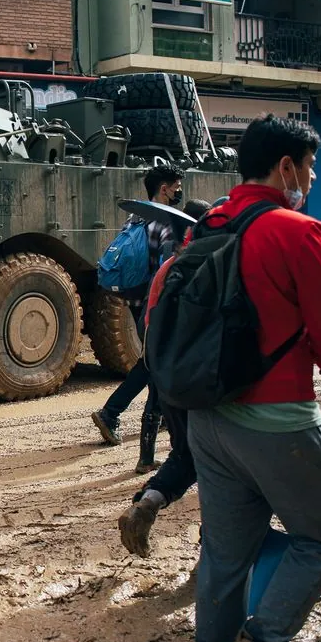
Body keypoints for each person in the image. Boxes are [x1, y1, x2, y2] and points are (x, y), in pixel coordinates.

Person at [186, 114, 321, 642]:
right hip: (278, 420)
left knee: (225, 556)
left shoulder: (207, 225)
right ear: (286, 166)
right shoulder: (298, 231)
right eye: (307, 167)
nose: (308, 177)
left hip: (206, 421)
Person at [116, 198, 213, 558]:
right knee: (224, 466)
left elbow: (149, 323)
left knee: (185, 454)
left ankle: (148, 501)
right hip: (205, 383)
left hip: (165, 374)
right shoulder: (217, 268)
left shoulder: (169, 267)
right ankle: (213, 548)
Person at [91, 163, 184, 474]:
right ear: (164, 188)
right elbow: (166, 268)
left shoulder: (137, 217)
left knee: (150, 361)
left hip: (134, 298)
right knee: (153, 363)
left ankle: (124, 414)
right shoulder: (166, 223)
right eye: (176, 185)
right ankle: (112, 413)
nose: (178, 191)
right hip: (152, 302)